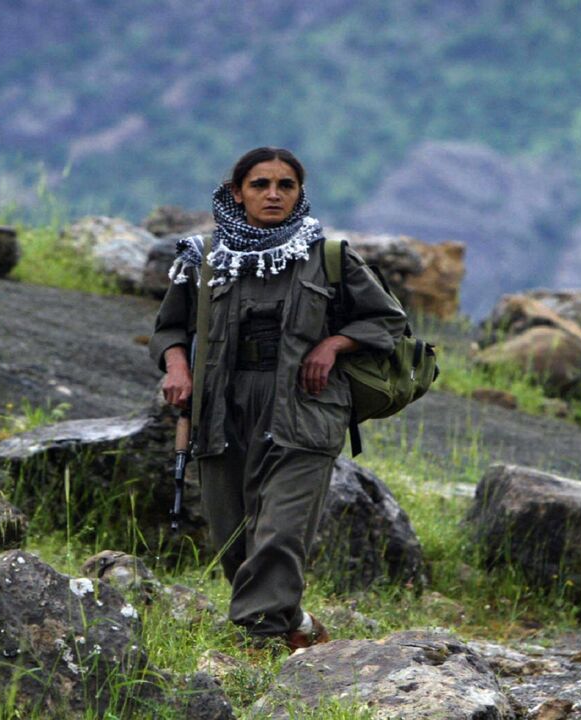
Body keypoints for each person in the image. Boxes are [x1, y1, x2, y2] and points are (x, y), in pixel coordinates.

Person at [149, 147, 405, 649]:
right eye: (260, 184)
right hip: (221, 407)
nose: (273, 194)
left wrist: (334, 344)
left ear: (298, 193)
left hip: (305, 407)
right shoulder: (204, 258)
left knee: (282, 531)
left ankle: (256, 642)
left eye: (285, 185)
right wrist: (176, 367)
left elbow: (387, 319)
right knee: (233, 540)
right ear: (237, 192)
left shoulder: (328, 256)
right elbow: (169, 328)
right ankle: (299, 627)